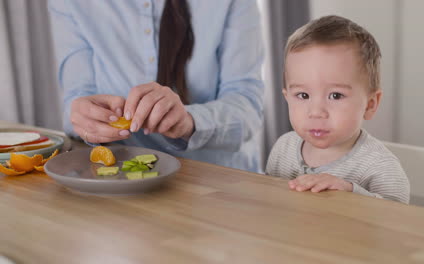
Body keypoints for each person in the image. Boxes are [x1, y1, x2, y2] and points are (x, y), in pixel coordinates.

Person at [48, 0, 264, 172]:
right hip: (119, 179)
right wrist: (85, 118)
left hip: (220, 182)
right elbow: (76, 99)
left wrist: (189, 122)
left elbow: (248, 108)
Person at [265, 15, 410, 203]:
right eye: (303, 95)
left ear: (370, 104)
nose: (316, 112)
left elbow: (399, 220)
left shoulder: (380, 166)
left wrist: (351, 192)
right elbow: (270, 202)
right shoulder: (283, 149)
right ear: (287, 98)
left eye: (335, 95)